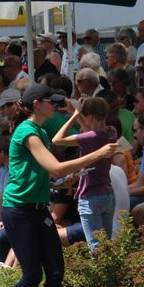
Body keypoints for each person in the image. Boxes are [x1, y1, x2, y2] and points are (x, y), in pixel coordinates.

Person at [0, 84, 115, 287]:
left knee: (56, 271)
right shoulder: (28, 132)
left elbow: (45, 173)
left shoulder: (41, 132)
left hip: (37, 209)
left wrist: (62, 180)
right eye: (51, 101)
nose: (55, 105)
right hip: (20, 210)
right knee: (32, 275)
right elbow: (55, 166)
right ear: (36, 104)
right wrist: (98, 154)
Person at [51, 98, 118, 250]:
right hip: (108, 195)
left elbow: (57, 139)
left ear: (91, 116)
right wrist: (75, 112)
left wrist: (74, 115)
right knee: (106, 244)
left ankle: (102, 274)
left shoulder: (92, 138)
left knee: (95, 247)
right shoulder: (111, 131)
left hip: (91, 196)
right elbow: (89, 131)